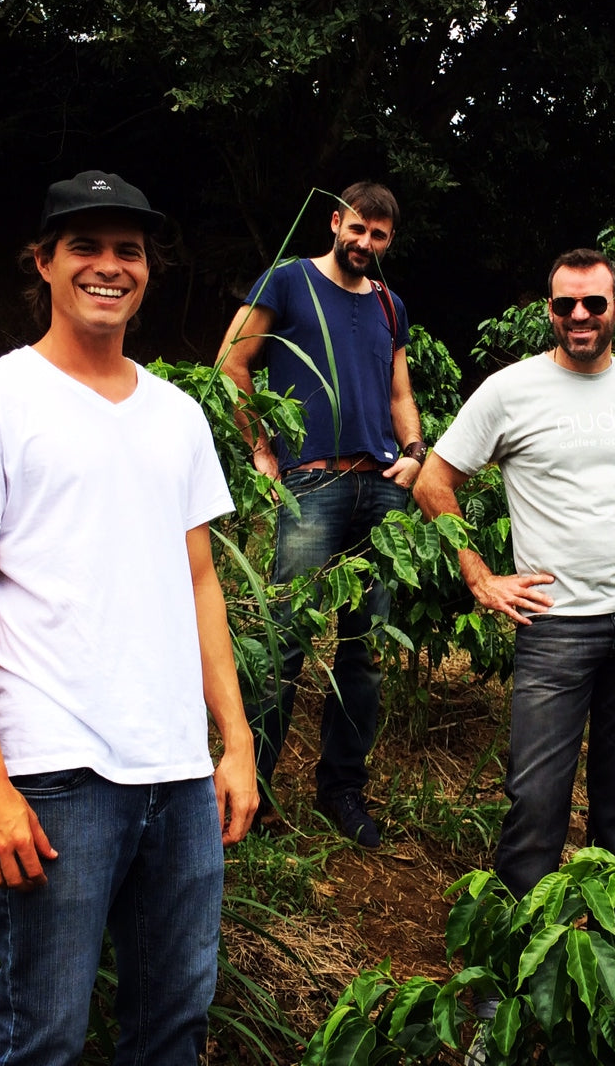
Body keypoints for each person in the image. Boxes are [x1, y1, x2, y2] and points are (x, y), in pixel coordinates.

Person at [0, 170, 258, 1065]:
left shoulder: (178, 414)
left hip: (177, 775)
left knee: (173, 1028)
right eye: (87, 248)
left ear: (150, 270)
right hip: (56, 774)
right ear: (45, 263)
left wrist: (236, 740)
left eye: (128, 251)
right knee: (43, 1040)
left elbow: (200, 581)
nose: (110, 266)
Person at [413, 247, 615, 902]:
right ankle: (520, 969)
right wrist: (478, 574)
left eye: (593, 303)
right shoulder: (509, 390)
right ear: (549, 311)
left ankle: (612, 950)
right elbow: (434, 479)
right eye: (564, 304)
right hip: (554, 629)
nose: (579, 315)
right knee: (534, 801)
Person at [216, 182, 423, 848]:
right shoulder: (288, 280)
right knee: (284, 644)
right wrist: (261, 450)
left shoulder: (391, 303)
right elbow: (232, 362)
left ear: (390, 241)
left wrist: (416, 452)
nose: (365, 243)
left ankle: (342, 793)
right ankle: (259, 794)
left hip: (383, 489)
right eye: (358, 228)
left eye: (380, 235)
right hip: (312, 484)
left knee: (363, 655)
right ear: (335, 222)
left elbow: (399, 390)